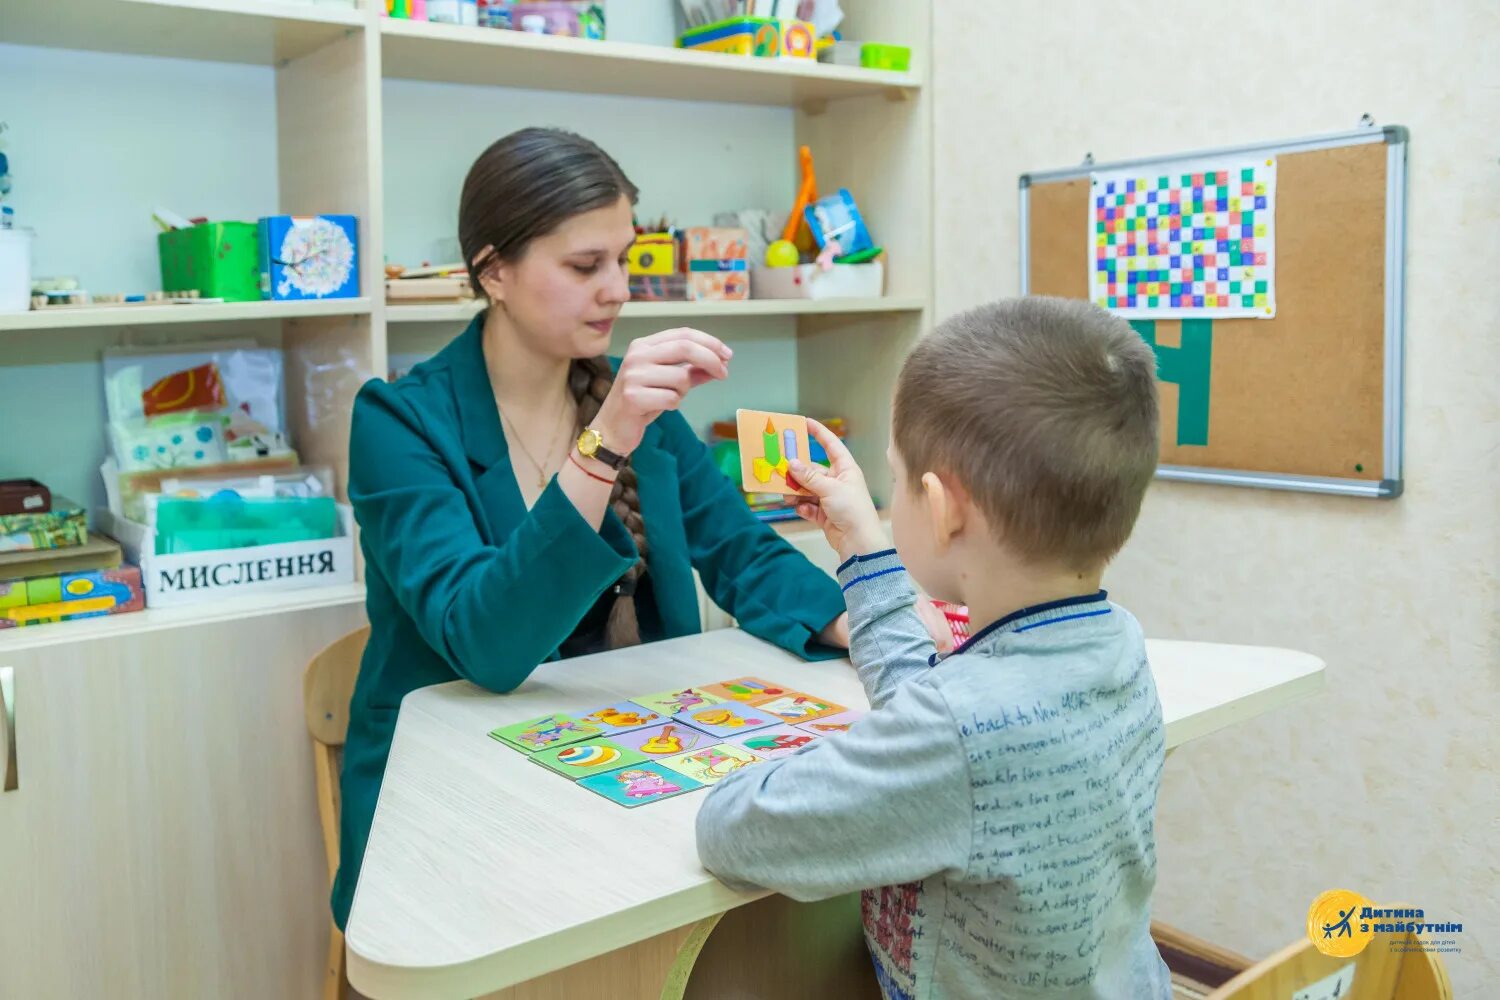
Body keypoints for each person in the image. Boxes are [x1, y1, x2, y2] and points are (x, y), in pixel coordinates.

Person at [331, 127, 869, 930]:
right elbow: (486, 642)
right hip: (449, 805)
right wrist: (604, 440)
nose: (618, 289)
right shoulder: (399, 421)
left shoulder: (629, 401)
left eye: (626, 258)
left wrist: (873, 624)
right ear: (494, 272)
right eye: (586, 266)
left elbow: (742, 553)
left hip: (620, 774)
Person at [695, 297, 1174, 999]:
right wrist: (863, 540)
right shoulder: (1114, 642)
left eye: (893, 481)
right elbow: (938, 711)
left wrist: (820, 761)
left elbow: (732, 833)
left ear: (943, 507)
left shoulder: (955, 733)